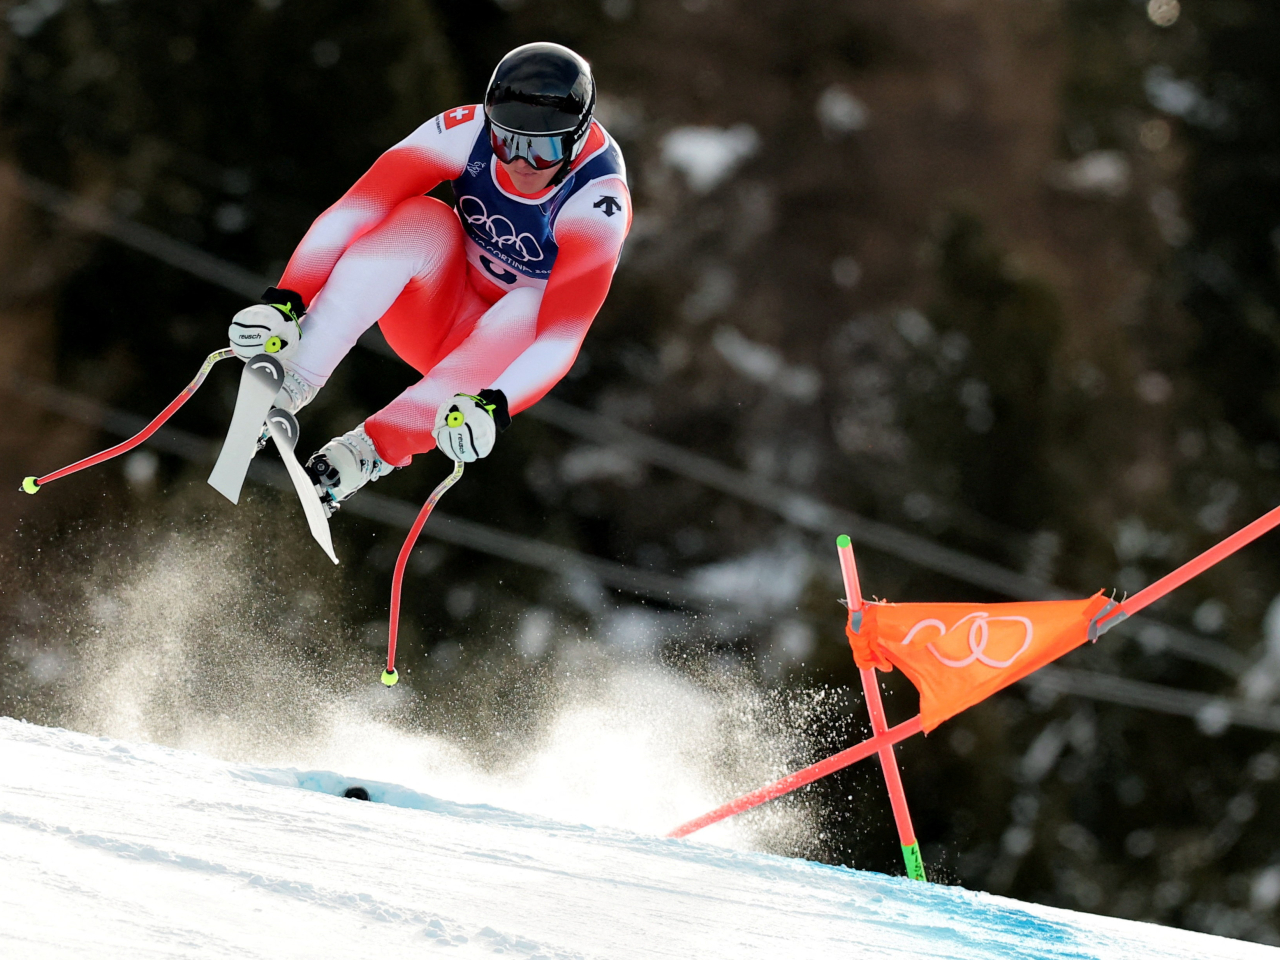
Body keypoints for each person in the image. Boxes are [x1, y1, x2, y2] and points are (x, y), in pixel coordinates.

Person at [226, 41, 631, 512]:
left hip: (488, 367)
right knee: (424, 218)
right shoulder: (466, 132)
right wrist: (286, 299)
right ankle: (290, 381)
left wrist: (495, 407)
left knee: (530, 307)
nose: (521, 163)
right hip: (431, 312)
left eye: (542, 150)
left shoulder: (597, 201)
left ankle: (366, 453)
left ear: (577, 139)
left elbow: (562, 337)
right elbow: (355, 209)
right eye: (508, 142)